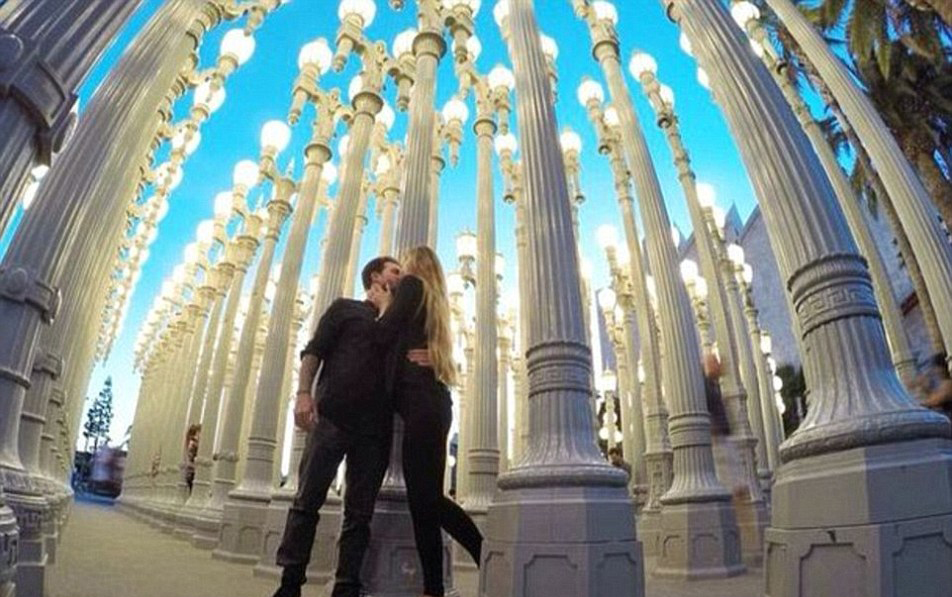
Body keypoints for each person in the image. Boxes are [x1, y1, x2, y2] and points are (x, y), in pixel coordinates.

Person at [269, 256, 401, 597]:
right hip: (331, 420)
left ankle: (346, 587)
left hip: (375, 432)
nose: (401, 276)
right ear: (376, 276)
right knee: (306, 502)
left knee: (359, 515)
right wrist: (303, 394)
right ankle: (290, 584)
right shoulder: (344, 309)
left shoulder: (398, 322)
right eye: (395, 271)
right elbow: (313, 351)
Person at [375, 246, 482, 597]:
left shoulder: (412, 286)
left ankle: (487, 554)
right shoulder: (433, 299)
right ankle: (433, 588)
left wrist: (383, 303)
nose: (399, 270)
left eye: (403, 263)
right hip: (434, 403)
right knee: (425, 503)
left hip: (421, 405)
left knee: (427, 502)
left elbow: (384, 332)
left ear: (413, 265)